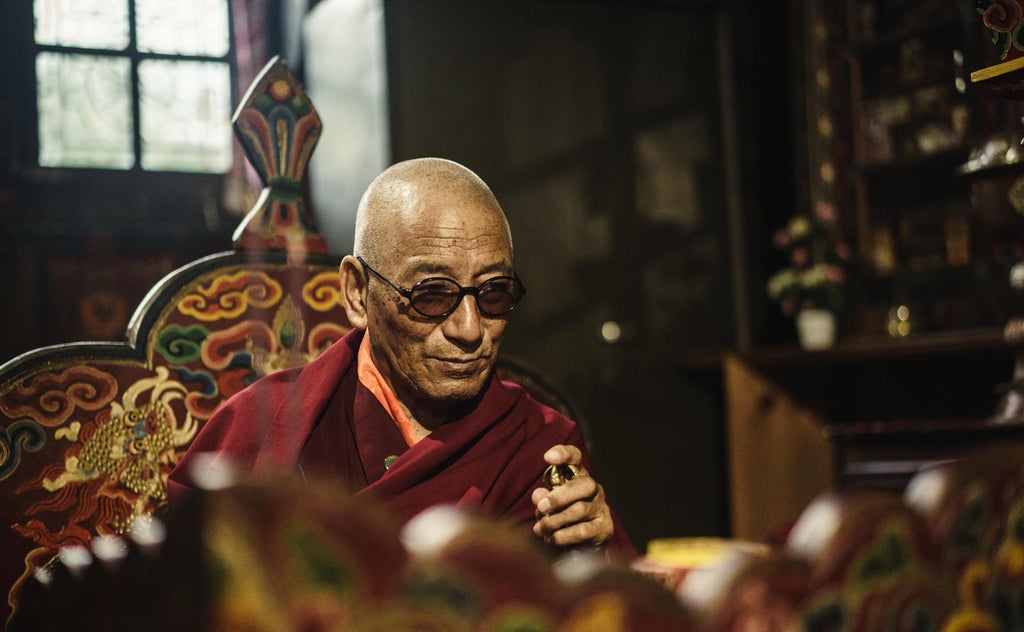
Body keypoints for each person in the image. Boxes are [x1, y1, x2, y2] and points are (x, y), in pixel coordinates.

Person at [167, 157, 635, 557]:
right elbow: (174, 589)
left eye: (494, 293)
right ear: (356, 293)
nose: (470, 330)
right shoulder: (266, 426)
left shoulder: (540, 447)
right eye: (431, 295)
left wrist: (595, 549)